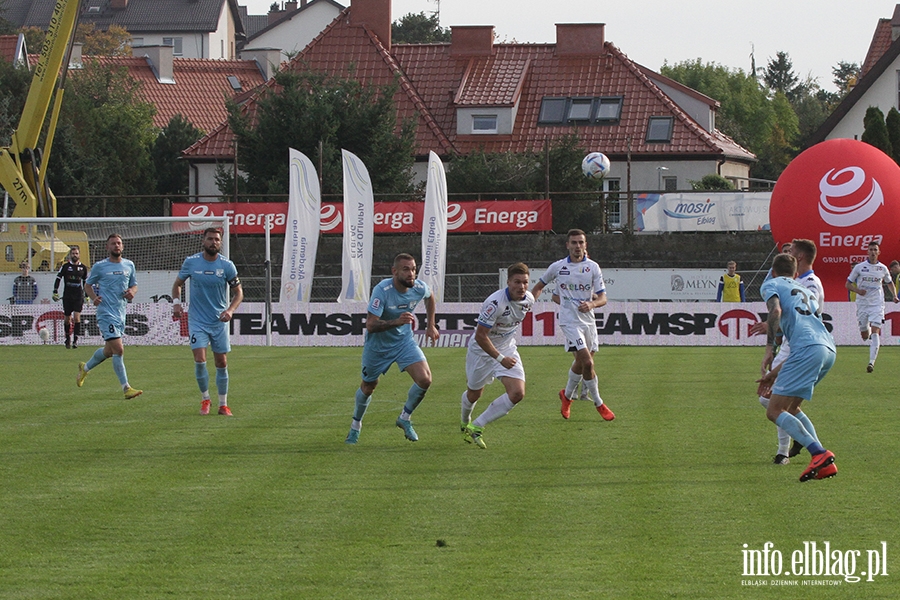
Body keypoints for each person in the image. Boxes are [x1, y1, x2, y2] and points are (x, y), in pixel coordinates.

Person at [757, 253, 837, 482]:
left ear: (772, 271)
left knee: (774, 411)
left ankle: (819, 454)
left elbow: (775, 312)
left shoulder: (771, 283)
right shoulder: (807, 292)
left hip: (806, 350)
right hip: (828, 349)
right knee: (791, 408)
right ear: (795, 274)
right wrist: (774, 374)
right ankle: (823, 461)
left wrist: (769, 349)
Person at [345, 253, 439, 444]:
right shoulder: (382, 290)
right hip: (378, 347)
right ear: (394, 272)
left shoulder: (419, 287)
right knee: (369, 386)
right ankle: (356, 425)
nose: (411, 274)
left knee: (425, 379)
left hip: (404, 343)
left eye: (413, 269)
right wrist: (397, 321)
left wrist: (431, 325)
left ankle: (404, 418)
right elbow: (370, 325)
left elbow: (430, 297)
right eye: (406, 269)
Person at [752, 239, 824, 464]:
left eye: (791, 251)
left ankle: (789, 451)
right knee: (786, 405)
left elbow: (800, 315)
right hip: (800, 343)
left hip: (799, 345)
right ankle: (809, 447)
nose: (788, 252)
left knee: (772, 403)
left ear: (799, 257)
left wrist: (773, 329)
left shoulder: (810, 283)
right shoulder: (799, 282)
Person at [532, 229, 615, 421]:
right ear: (567, 245)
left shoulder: (593, 267)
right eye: (574, 243)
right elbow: (539, 287)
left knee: (580, 363)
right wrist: (528, 302)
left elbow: (603, 297)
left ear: (585, 245)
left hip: (588, 321)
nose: (577, 247)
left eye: (581, 243)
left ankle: (567, 396)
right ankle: (599, 403)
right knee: (587, 362)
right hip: (569, 321)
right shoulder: (558, 267)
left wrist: (592, 304)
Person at [461, 262, 535, 449]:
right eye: (517, 282)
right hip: (482, 351)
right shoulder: (495, 304)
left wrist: (504, 356)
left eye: (525, 282)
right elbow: (480, 335)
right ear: (508, 282)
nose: (521, 286)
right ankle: (465, 420)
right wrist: (500, 359)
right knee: (474, 392)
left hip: (507, 348)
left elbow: (536, 292)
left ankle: (477, 425)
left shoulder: (529, 299)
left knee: (517, 393)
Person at [172, 228, 244, 416]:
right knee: (200, 359)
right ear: (203, 241)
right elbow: (177, 285)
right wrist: (176, 304)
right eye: (210, 239)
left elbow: (239, 293)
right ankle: (205, 399)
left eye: (217, 240)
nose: (213, 242)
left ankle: (223, 404)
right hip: (197, 321)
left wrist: (230, 310)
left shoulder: (227, 266)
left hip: (218, 322)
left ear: (220, 243)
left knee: (221, 362)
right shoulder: (191, 262)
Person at [76, 234, 142, 399]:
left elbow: (134, 284)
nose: (116, 246)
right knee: (118, 349)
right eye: (113, 244)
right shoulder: (100, 266)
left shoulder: (129, 265)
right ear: (107, 247)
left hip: (121, 313)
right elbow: (88, 285)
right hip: (106, 313)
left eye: (119, 243)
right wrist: (93, 297)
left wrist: (131, 292)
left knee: (108, 350)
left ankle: (85, 369)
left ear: (123, 246)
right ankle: (126, 388)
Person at [845, 240, 899, 373]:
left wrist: (894, 295)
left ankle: (871, 362)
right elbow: (848, 284)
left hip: (877, 304)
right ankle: (866, 331)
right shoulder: (860, 267)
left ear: (879, 252)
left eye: (875, 250)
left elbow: (889, 283)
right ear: (867, 252)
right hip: (863, 304)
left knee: (875, 331)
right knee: (864, 334)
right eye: (871, 250)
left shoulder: (883, 268)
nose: (873, 252)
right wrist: (858, 291)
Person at [53, 247, 89, 349]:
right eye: (73, 253)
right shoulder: (65, 266)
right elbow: (58, 278)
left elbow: (85, 282)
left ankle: (76, 340)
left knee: (77, 317)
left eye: (76, 253)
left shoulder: (83, 268)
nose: (75, 255)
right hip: (67, 296)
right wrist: (55, 291)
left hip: (78, 296)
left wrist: (86, 296)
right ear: (70, 255)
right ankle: (67, 338)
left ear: (79, 255)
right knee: (67, 319)